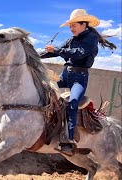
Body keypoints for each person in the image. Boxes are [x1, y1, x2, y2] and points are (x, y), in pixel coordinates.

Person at [40, 9, 116, 155]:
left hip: (79, 78)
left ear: (83, 24)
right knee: (43, 88)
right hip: (65, 76)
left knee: (73, 102)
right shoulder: (71, 39)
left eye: (73, 25)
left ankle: (68, 141)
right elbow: (55, 51)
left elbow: (79, 53)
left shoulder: (91, 38)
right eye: (70, 26)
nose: (71, 28)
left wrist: (56, 49)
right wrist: (35, 56)